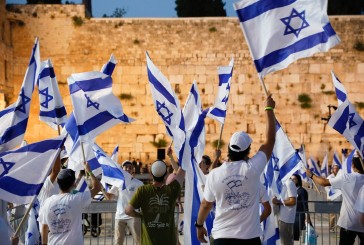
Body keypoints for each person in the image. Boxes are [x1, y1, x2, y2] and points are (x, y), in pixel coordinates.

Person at [196, 95, 276, 245]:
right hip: (249, 238)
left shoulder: (214, 174)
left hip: (221, 237)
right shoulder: (253, 169)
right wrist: (269, 109)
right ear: (248, 151)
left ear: (229, 150)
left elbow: (206, 205)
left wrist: (199, 225)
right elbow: (270, 141)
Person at [306, 155, 364, 244]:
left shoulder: (347, 178)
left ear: (352, 165)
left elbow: (324, 182)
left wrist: (311, 175)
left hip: (348, 223)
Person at [39, 162, 101, 245]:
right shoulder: (77, 198)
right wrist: (89, 171)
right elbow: (97, 188)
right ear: (74, 184)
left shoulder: (47, 202)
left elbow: (44, 226)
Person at [125, 159, 185, 245]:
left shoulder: (143, 190)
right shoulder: (172, 190)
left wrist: (140, 215)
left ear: (151, 174)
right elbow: (182, 171)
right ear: (165, 175)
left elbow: (128, 210)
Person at [104, 160, 144, 245]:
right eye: (126, 167)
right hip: (120, 215)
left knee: (139, 241)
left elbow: (143, 199)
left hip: (133, 215)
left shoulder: (139, 183)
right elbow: (109, 197)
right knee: (118, 242)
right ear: (122, 169)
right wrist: (102, 188)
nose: (128, 169)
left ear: (133, 169)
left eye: (130, 167)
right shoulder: (118, 182)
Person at [272, 178, 297, 245]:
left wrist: (278, 201)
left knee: (286, 243)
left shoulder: (289, 183)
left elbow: (293, 201)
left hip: (286, 219)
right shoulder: (282, 183)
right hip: (281, 217)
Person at [291, 174, 311, 241]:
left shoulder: (302, 191)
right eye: (291, 179)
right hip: (292, 216)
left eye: (294, 179)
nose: (292, 181)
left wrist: (307, 217)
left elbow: (305, 205)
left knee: (297, 238)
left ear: (298, 180)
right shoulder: (291, 190)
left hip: (299, 216)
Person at [326, 163, 341, 232]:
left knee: (341, 213)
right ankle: (331, 228)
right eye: (334, 168)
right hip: (331, 198)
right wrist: (333, 193)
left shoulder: (340, 177)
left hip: (339, 198)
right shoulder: (330, 177)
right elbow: (327, 187)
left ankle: (341, 227)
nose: (336, 170)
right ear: (332, 170)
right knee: (332, 214)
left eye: (337, 168)